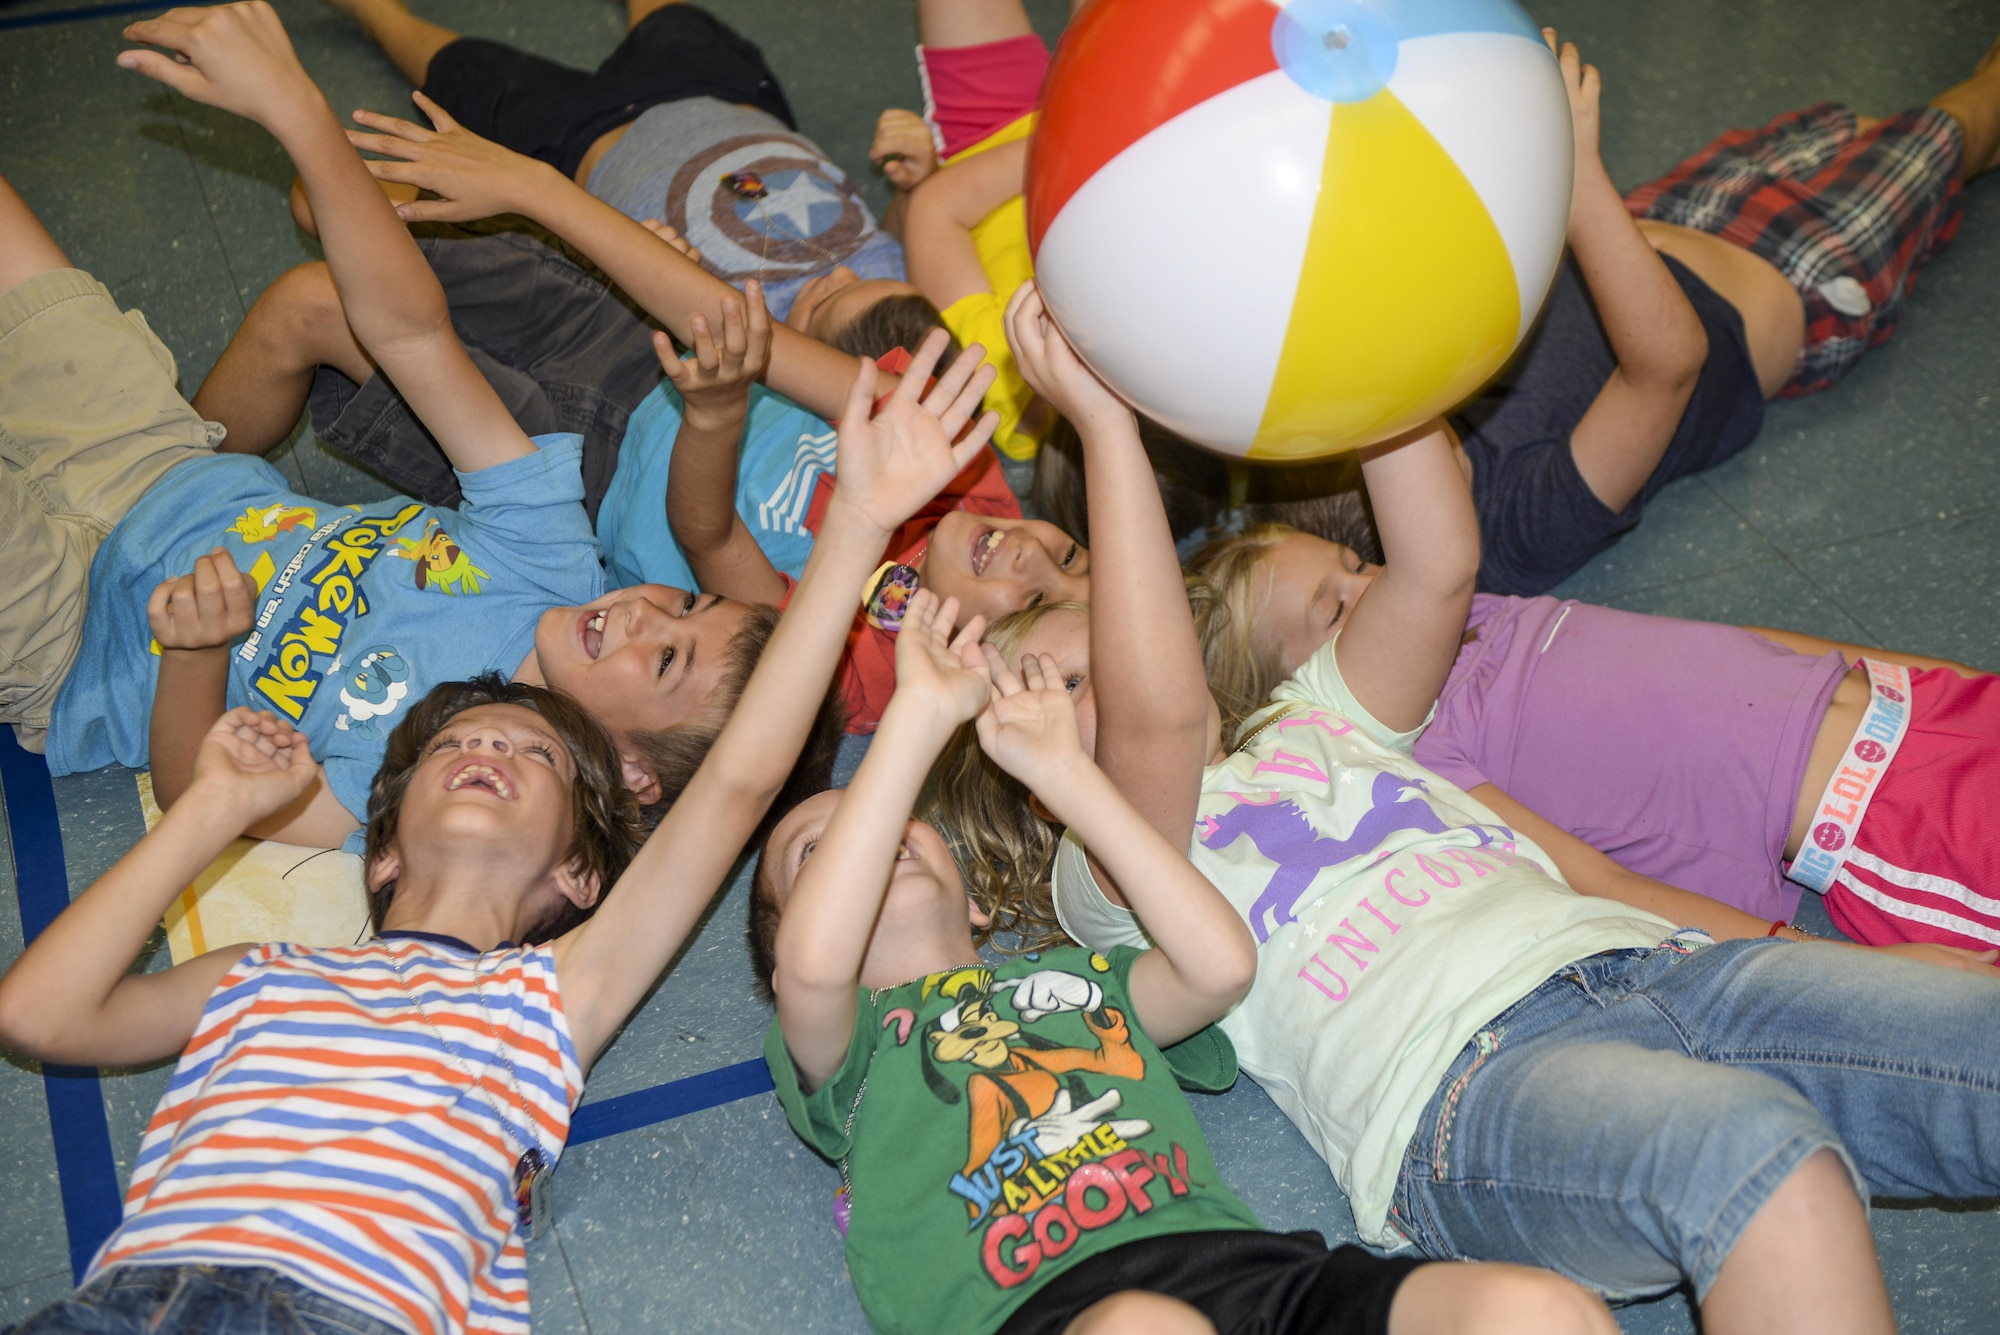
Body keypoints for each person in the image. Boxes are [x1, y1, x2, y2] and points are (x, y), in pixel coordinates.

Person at [924, 277, 2000, 1332]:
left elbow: (1436, 566)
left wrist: (1373, 359)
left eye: (1109, 648)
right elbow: (1153, 720)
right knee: (1754, 1153)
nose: (1121, 672)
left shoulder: (1313, 714)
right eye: (1072, 685)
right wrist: (1106, 431)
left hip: (1660, 965)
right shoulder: (1102, 872)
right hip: (1469, 1086)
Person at [0, 3, 860, 852]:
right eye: (684, 603)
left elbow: (205, 803)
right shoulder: (551, 555)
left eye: (667, 658)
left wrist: (195, 657)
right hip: (157, 462)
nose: (643, 612)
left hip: (75, 641)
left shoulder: (448, 783)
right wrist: (299, 114)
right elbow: (411, 334)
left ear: (637, 775)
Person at [754, 588, 1613, 1335]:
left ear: (976, 901)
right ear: (785, 968)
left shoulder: (1078, 980)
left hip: (1238, 1269)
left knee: (1542, 1310)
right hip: (1033, 1308)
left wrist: (1069, 778)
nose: (865, 844)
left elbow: (1216, 967)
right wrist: (913, 722)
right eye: (815, 853)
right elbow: (820, 963)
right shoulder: (851, 1050)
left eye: (888, 819)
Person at [1186, 522, 2000, 954]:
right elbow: (1599, 882)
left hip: (1920, 703)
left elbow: (1738, 641)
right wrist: (1847, 976)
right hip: (1887, 819)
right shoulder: (1427, 758)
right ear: (1306, 697)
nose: (1375, 586)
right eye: (1336, 609)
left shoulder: (1479, 613)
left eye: (1357, 562)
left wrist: (1934, 673)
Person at [620, 276, 1082, 731]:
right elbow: (751, 339)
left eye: (1038, 600)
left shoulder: (860, 678)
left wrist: (714, 415)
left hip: (610, 454)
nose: (1035, 553)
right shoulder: (971, 474)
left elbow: (707, 534)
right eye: (1071, 556)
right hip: (676, 352)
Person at [313, 0, 927, 340]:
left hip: (578, 136)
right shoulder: (898, 293)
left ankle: (374, 12)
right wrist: (911, 184)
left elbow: (622, 334)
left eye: (823, 303)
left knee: (463, 68)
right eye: (860, 275)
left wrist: (659, 278)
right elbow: (899, 229)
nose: (837, 270)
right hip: (719, 93)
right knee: (672, 19)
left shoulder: (746, 342)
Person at [868, 0, 1092, 462]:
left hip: (991, 137)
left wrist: (1083, 139)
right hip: (1107, 126)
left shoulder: (1005, 383)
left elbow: (936, 207)